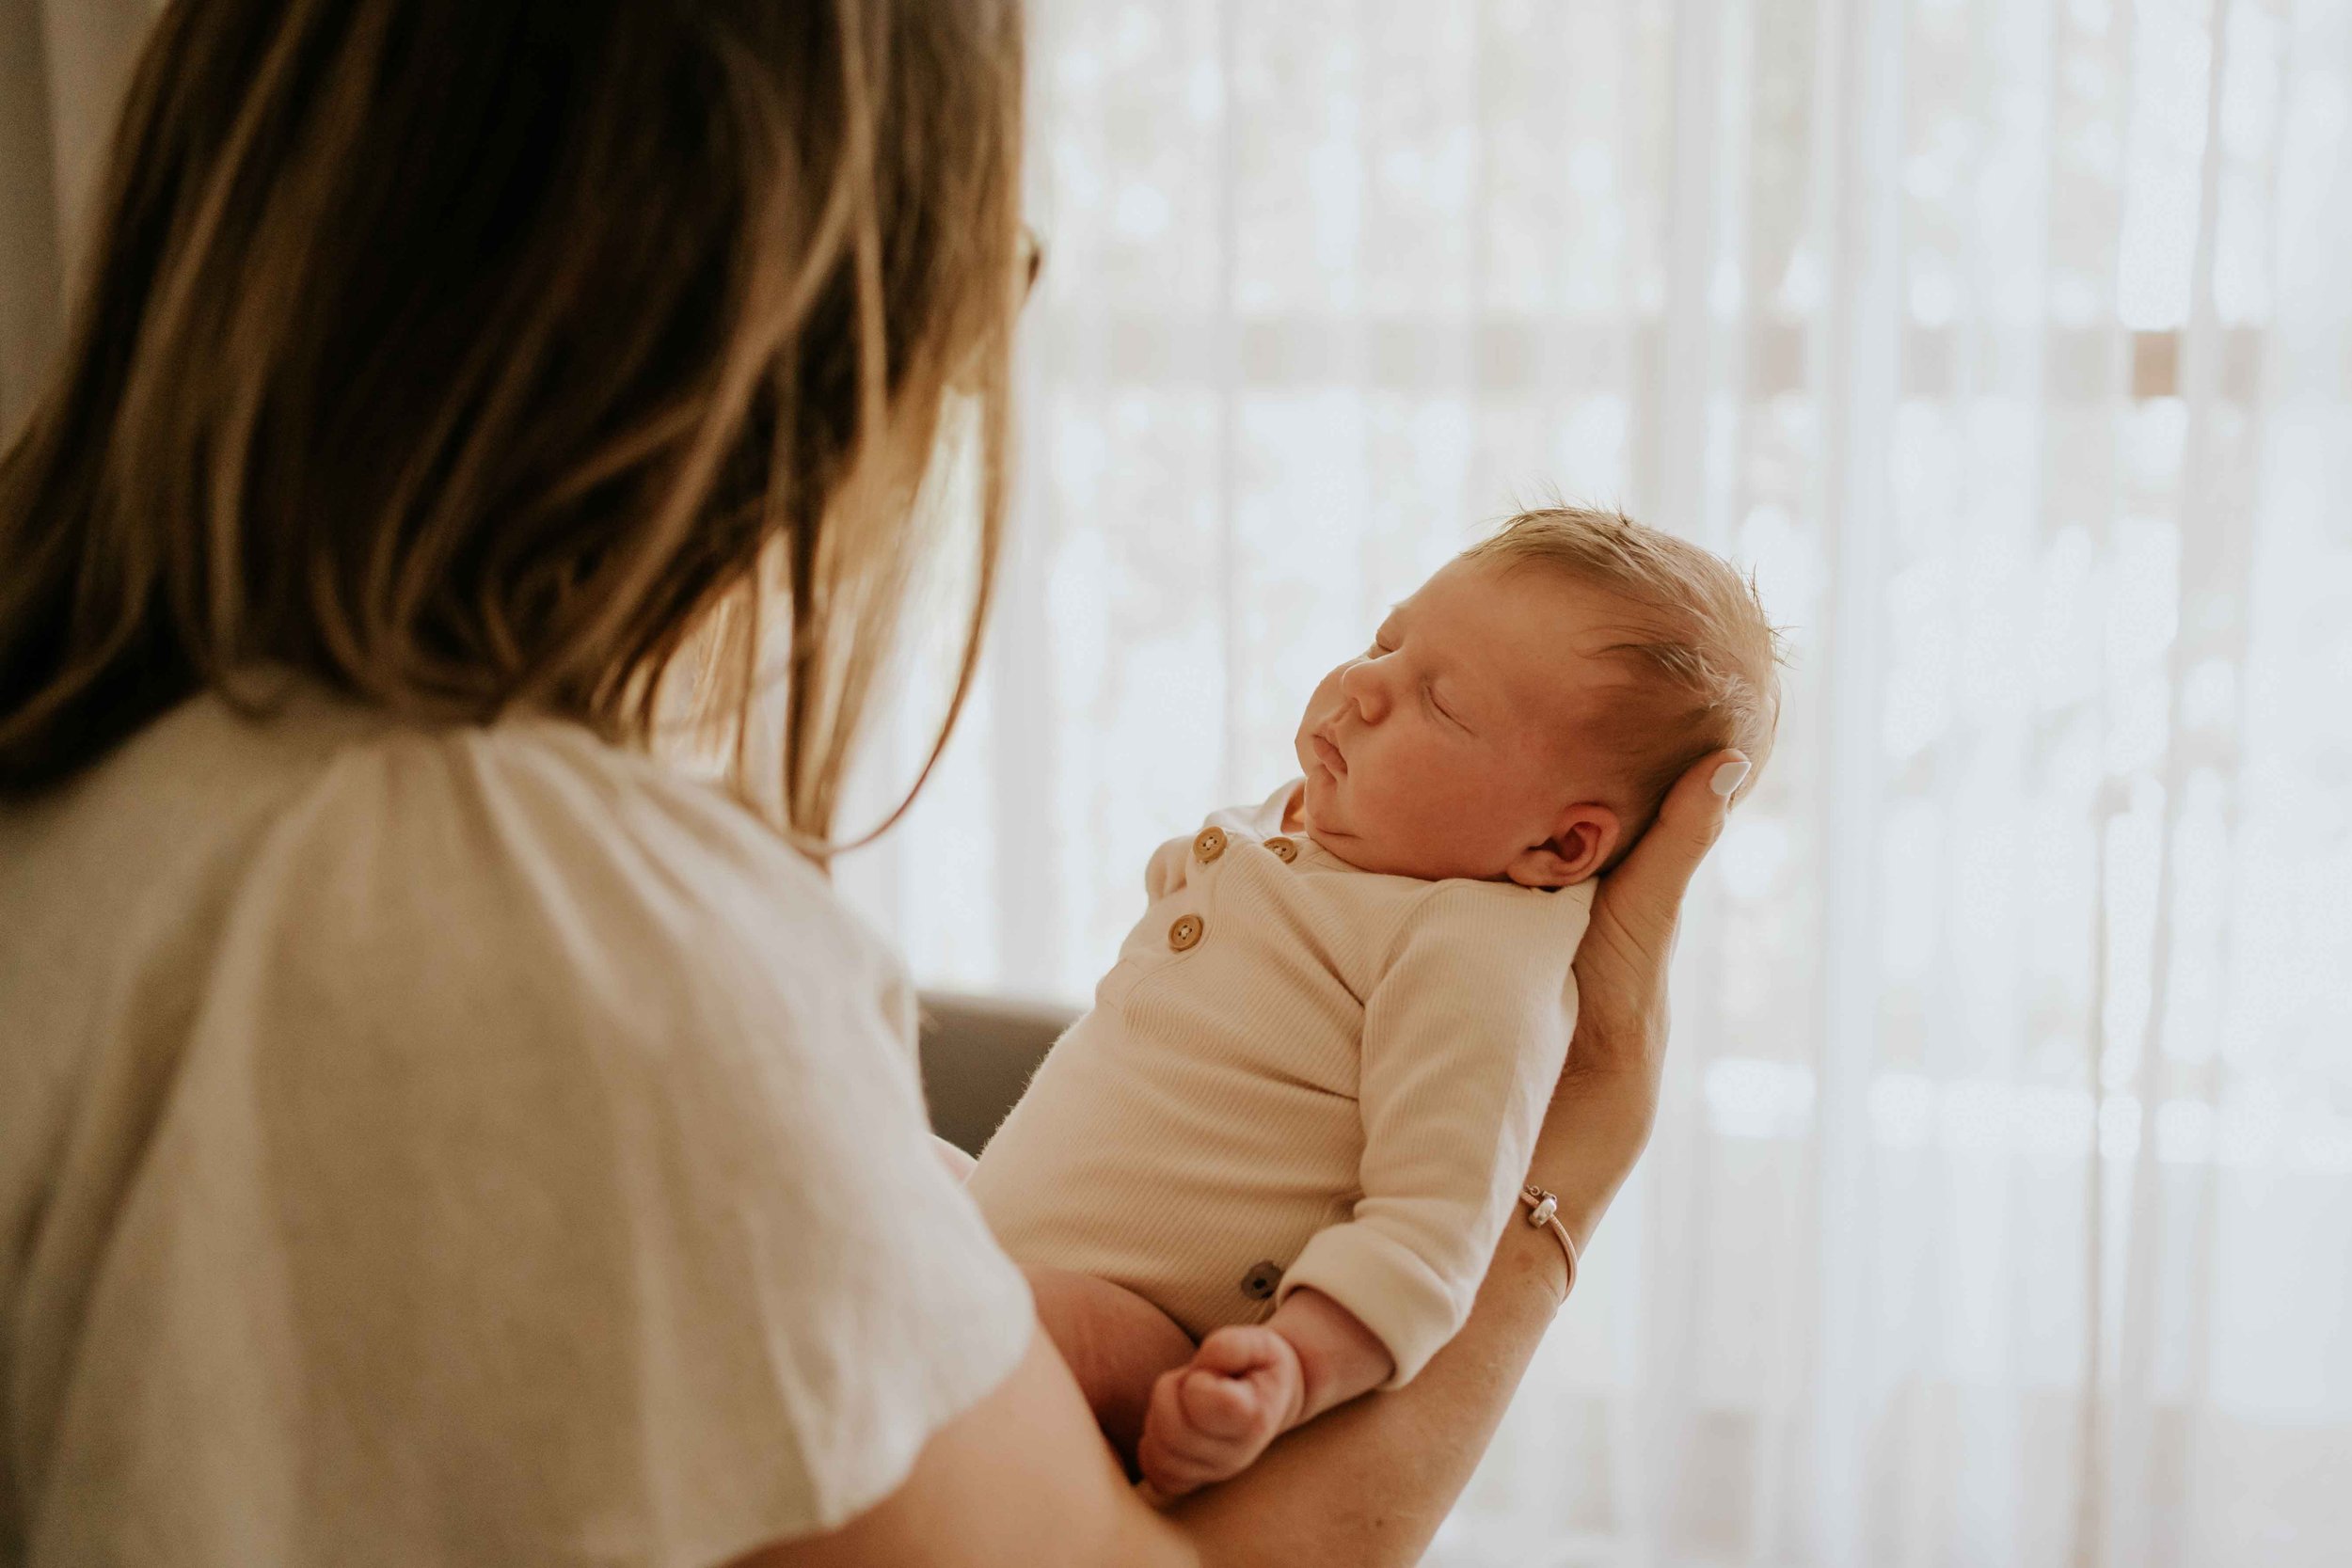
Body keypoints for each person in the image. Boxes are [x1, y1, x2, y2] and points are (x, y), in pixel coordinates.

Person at [0, 4, 1748, 1565]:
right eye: (978, 251)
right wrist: (1570, 1168)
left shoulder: (110, 769)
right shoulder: (555, 928)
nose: (981, 338)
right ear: (788, 299)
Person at [970, 508, 1781, 1497]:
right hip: (997, 1242)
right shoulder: (1320, 829)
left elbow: (1433, 1221)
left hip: (1132, 1329)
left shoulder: (1471, 948)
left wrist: (1294, 1367)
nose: (1361, 683)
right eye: (1385, 641)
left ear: (1559, 848)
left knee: (953, 1310)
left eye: (1438, 703)